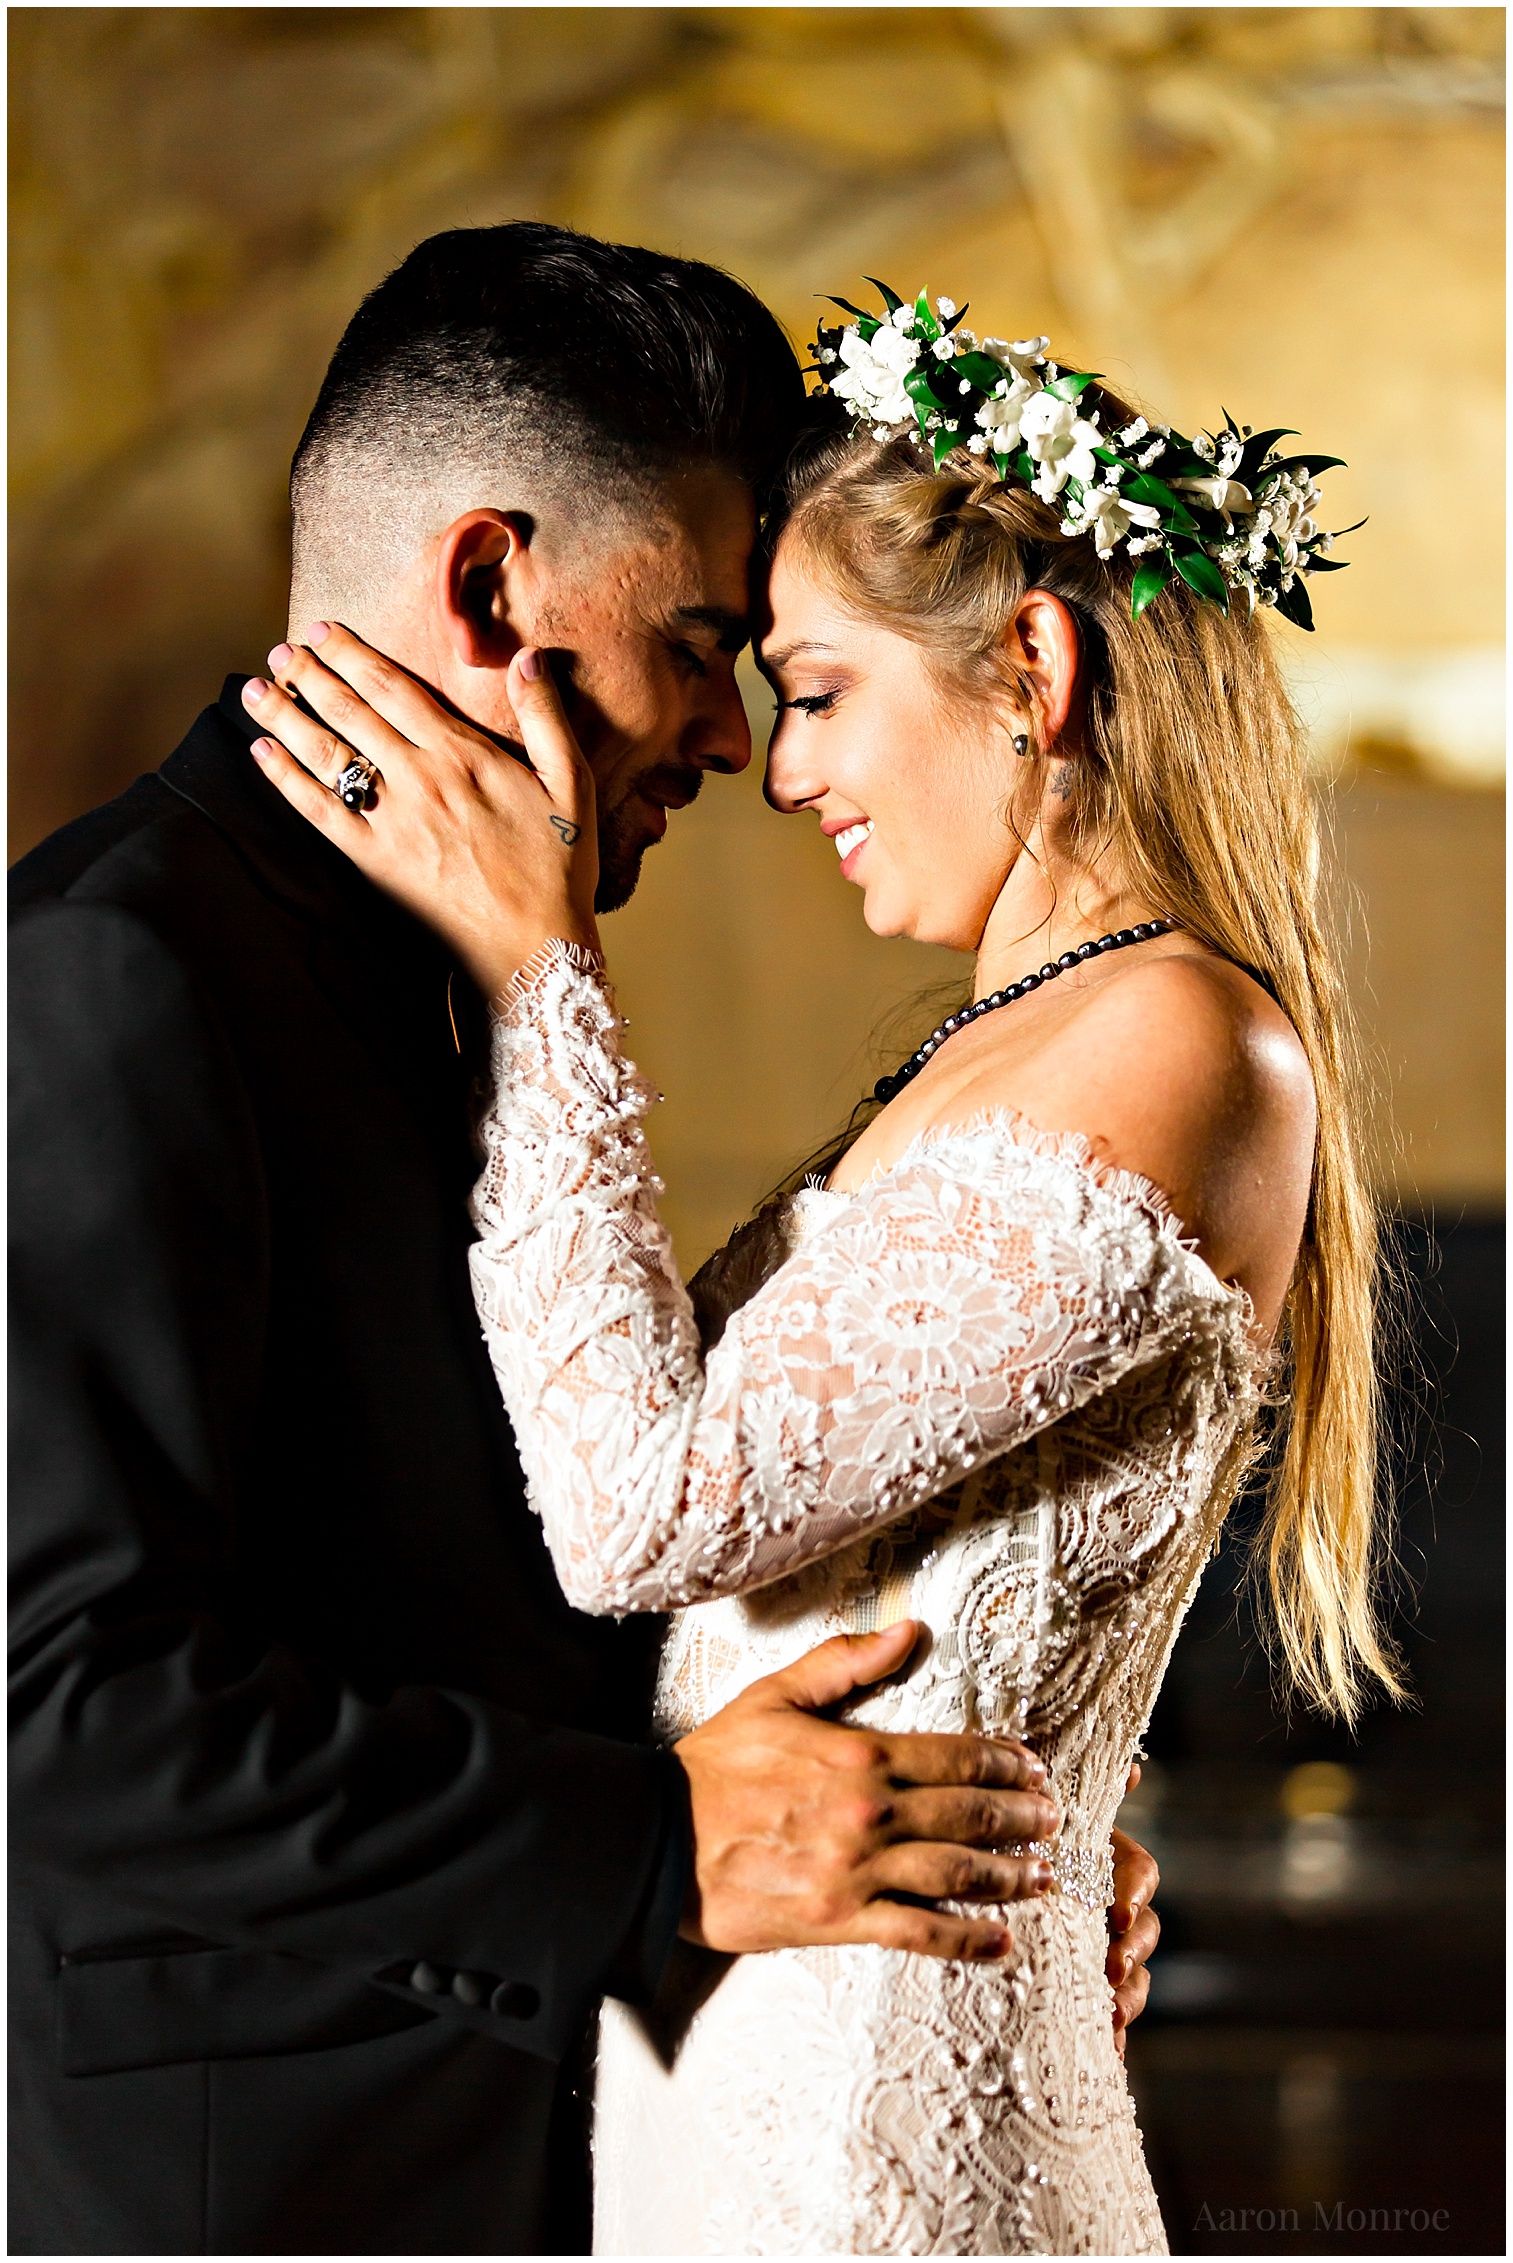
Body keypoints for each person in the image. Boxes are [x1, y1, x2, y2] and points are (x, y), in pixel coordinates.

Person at [8, 227, 1160, 2259]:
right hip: (259, 2195)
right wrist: (656, 1849)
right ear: (487, 588)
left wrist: (931, 1799)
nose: (735, 744)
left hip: (579, 2159)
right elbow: (60, 1705)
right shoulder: (115, 972)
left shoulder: (475, 959)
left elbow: (502, 1566)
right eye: (708, 642)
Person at [243, 281, 1405, 2256]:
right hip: (734, 2106)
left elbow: (638, 1508)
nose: (778, 771)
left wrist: (543, 976)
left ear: (1027, 664)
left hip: (887, 2173)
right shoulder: (1008, 1044)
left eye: (819, 686)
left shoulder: (1180, 1042)